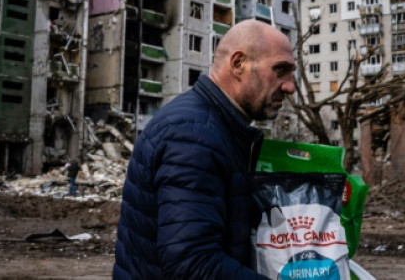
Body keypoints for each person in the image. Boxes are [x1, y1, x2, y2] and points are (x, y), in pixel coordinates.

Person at [113, 20, 297, 279]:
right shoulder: (193, 134)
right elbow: (191, 262)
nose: (290, 86)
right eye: (280, 70)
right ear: (238, 64)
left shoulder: (220, 129)